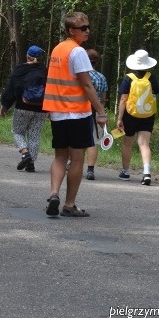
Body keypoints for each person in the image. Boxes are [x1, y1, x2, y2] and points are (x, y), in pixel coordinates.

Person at [41, 12, 107, 218]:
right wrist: (101, 111)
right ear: (71, 30)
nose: (88, 30)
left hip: (58, 113)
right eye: (83, 28)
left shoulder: (58, 49)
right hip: (77, 114)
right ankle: (69, 205)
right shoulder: (78, 52)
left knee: (60, 157)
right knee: (77, 159)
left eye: (88, 27)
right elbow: (86, 84)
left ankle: (53, 194)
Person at [0, 45, 47, 172]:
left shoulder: (20, 70)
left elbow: (11, 89)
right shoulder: (46, 71)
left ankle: (25, 153)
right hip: (41, 109)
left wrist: (5, 105)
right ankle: (31, 164)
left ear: (27, 56)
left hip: (22, 107)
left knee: (17, 132)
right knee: (34, 136)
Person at [117, 49, 159, 186]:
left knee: (127, 143)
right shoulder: (151, 77)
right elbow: (156, 93)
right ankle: (146, 172)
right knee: (144, 144)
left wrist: (119, 118)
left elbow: (123, 99)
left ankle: (125, 171)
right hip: (147, 115)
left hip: (130, 115)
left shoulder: (128, 78)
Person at [85, 49, 109, 180]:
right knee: (93, 141)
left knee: (76, 139)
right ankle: (90, 170)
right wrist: (102, 112)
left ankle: (72, 163)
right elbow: (103, 99)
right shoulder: (101, 77)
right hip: (95, 112)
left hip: (80, 111)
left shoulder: (80, 75)